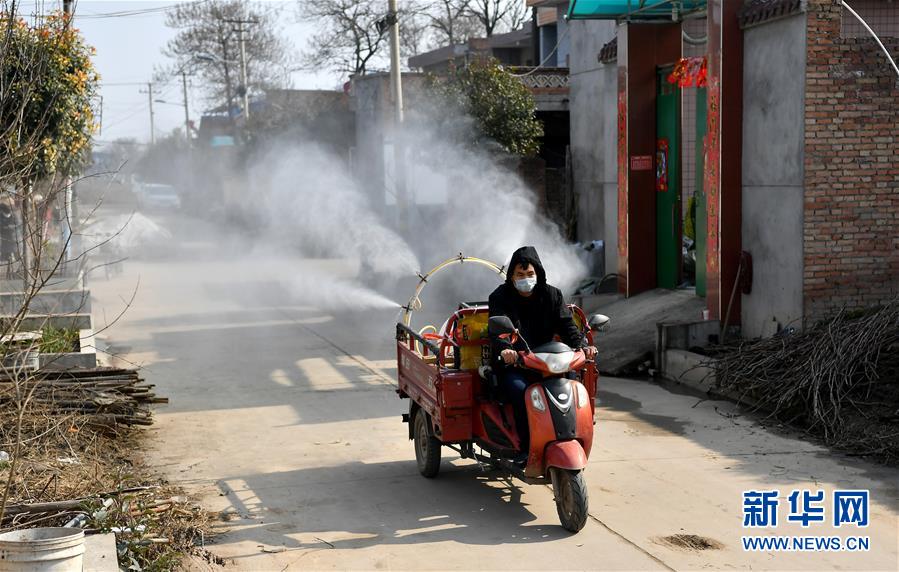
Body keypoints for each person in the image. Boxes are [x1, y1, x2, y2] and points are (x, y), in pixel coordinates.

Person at [488, 246, 597, 462]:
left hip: (550, 362)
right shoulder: (500, 297)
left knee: (573, 389)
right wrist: (506, 351)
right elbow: (496, 333)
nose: (525, 279)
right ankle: (525, 448)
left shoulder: (552, 295)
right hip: (516, 364)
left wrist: (582, 345)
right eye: (520, 275)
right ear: (511, 276)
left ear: (538, 273)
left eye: (530, 274)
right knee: (522, 393)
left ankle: (571, 438)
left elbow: (567, 326)